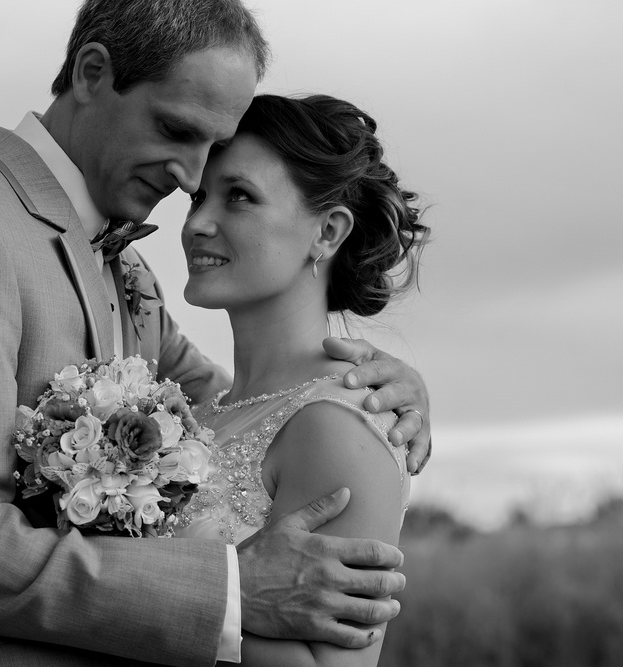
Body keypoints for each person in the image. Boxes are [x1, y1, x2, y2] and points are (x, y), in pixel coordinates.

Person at [0, 1, 431, 665]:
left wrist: (380, 388)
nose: (189, 178)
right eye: (175, 129)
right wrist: (233, 594)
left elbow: (246, 416)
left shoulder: (127, 270)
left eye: (215, 158)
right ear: (93, 72)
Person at [174, 93, 429, 666]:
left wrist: (130, 608)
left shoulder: (338, 426)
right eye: (198, 197)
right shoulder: (202, 407)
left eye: (238, 196)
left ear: (328, 232)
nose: (197, 223)